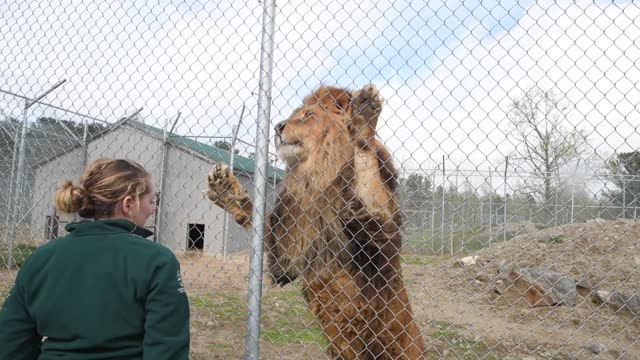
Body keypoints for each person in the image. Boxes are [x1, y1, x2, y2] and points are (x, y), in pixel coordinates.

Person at [0, 158, 190, 360]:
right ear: (128, 204)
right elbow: (167, 351)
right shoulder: (157, 261)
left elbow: (11, 343)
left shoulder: (40, 258)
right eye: (151, 201)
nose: (153, 209)